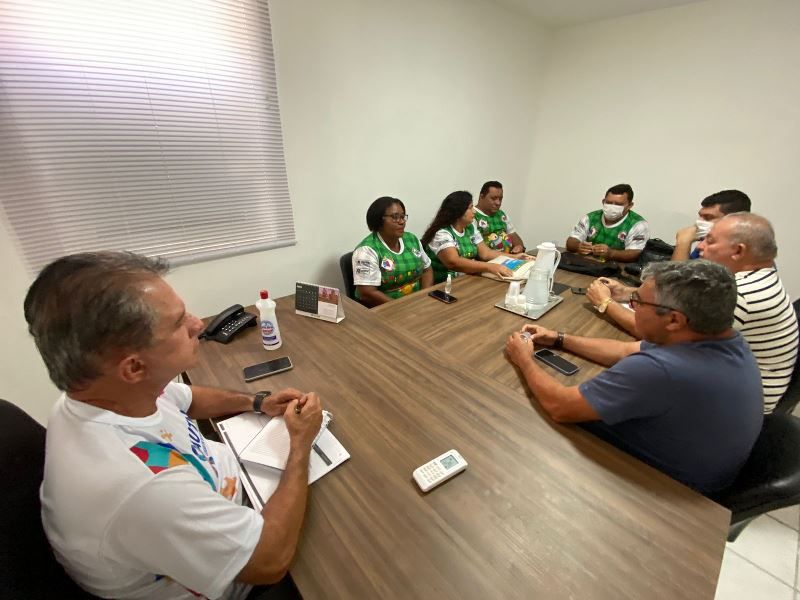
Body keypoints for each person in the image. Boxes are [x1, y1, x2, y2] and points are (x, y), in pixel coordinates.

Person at [25, 252, 322, 600]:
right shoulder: (141, 487)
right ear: (133, 367)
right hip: (244, 573)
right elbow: (268, 562)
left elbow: (187, 398)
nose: (198, 325)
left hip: (229, 500)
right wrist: (299, 446)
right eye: (179, 323)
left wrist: (257, 402)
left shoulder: (104, 393)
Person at [506, 260, 763, 494]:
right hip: (693, 461)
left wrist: (524, 359)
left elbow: (560, 406)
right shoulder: (723, 340)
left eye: (638, 302)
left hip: (667, 490)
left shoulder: (664, 370)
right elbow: (624, 350)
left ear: (674, 320)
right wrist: (558, 338)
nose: (632, 307)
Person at [586, 213, 798, 413]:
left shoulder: (741, 296)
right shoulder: (760, 278)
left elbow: (659, 333)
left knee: (599, 389)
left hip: (732, 408)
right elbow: (679, 305)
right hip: (728, 386)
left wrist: (605, 303)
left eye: (709, 241)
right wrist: (629, 293)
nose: (701, 246)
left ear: (738, 251)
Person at [421, 190, 526, 282]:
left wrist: (515, 257)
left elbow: (485, 253)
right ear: (458, 211)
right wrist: (490, 267)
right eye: (470, 208)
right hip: (444, 285)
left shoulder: (470, 228)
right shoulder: (441, 233)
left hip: (467, 279)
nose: (474, 211)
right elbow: (453, 261)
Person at [352, 196, 433, 307]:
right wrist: (401, 307)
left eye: (403, 217)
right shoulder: (366, 250)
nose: (402, 222)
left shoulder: (411, 239)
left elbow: (427, 270)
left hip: (416, 304)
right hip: (384, 308)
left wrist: (424, 297)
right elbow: (367, 293)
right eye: (395, 217)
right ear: (378, 219)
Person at [565, 183, 649, 263]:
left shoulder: (638, 224)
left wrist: (612, 254)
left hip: (619, 268)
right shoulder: (590, 218)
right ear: (603, 201)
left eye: (618, 204)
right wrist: (578, 246)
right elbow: (571, 242)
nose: (612, 207)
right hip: (589, 264)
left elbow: (636, 253)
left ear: (630, 205)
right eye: (608, 202)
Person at [671, 189, 751, 260]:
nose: (698, 222)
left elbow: (680, 272)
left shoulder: (735, 250)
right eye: (700, 216)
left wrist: (683, 242)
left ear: (734, 220)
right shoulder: (705, 244)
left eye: (708, 217)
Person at [474, 181, 525, 253]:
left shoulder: (501, 215)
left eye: (500, 199)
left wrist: (519, 246)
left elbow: (514, 236)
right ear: (481, 197)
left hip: (510, 256)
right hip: (489, 259)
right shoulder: (472, 216)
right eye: (493, 198)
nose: (498, 203)